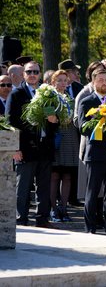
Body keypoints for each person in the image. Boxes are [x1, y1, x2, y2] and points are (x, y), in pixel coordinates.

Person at [6, 61, 59, 228]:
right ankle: (21, 220)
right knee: (23, 188)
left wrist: (54, 120)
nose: (32, 74)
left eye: (36, 71)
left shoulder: (49, 93)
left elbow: (56, 121)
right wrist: (14, 148)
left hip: (45, 147)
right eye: (29, 71)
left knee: (44, 188)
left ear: (40, 73)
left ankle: (42, 219)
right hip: (25, 148)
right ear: (23, 74)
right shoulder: (16, 94)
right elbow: (10, 123)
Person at [78, 67, 106, 236]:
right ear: (94, 82)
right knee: (92, 192)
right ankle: (90, 228)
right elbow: (82, 127)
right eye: (101, 80)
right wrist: (101, 123)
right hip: (95, 154)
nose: (104, 83)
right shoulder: (87, 101)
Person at [49, 70, 79, 223]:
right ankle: (53, 209)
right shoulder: (49, 97)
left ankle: (64, 208)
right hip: (56, 138)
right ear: (53, 82)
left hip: (70, 138)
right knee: (54, 176)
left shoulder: (71, 99)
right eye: (59, 80)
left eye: (65, 80)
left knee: (67, 176)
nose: (62, 83)